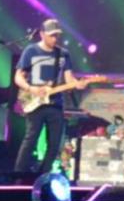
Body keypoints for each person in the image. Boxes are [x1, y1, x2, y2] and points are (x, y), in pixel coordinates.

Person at [13, 19, 88, 175]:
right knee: (31, 139)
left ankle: (42, 175)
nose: (55, 38)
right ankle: (18, 175)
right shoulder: (31, 50)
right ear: (42, 34)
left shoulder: (63, 54)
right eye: (51, 35)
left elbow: (69, 79)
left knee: (54, 144)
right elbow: (18, 77)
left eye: (57, 35)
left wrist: (78, 84)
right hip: (35, 102)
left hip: (55, 103)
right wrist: (31, 88)